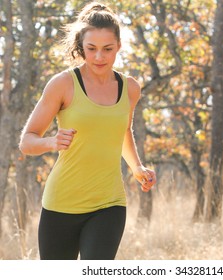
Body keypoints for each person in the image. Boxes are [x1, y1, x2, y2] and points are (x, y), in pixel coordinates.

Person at [19, 1, 156, 260]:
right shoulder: (63, 84)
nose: (99, 57)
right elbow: (27, 142)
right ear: (81, 46)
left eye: (107, 49)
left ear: (119, 46)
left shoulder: (130, 88)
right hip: (62, 203)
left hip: (109, 203)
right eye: (91, 49)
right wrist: (52, 142)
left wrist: (137, 168)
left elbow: (123, 131)